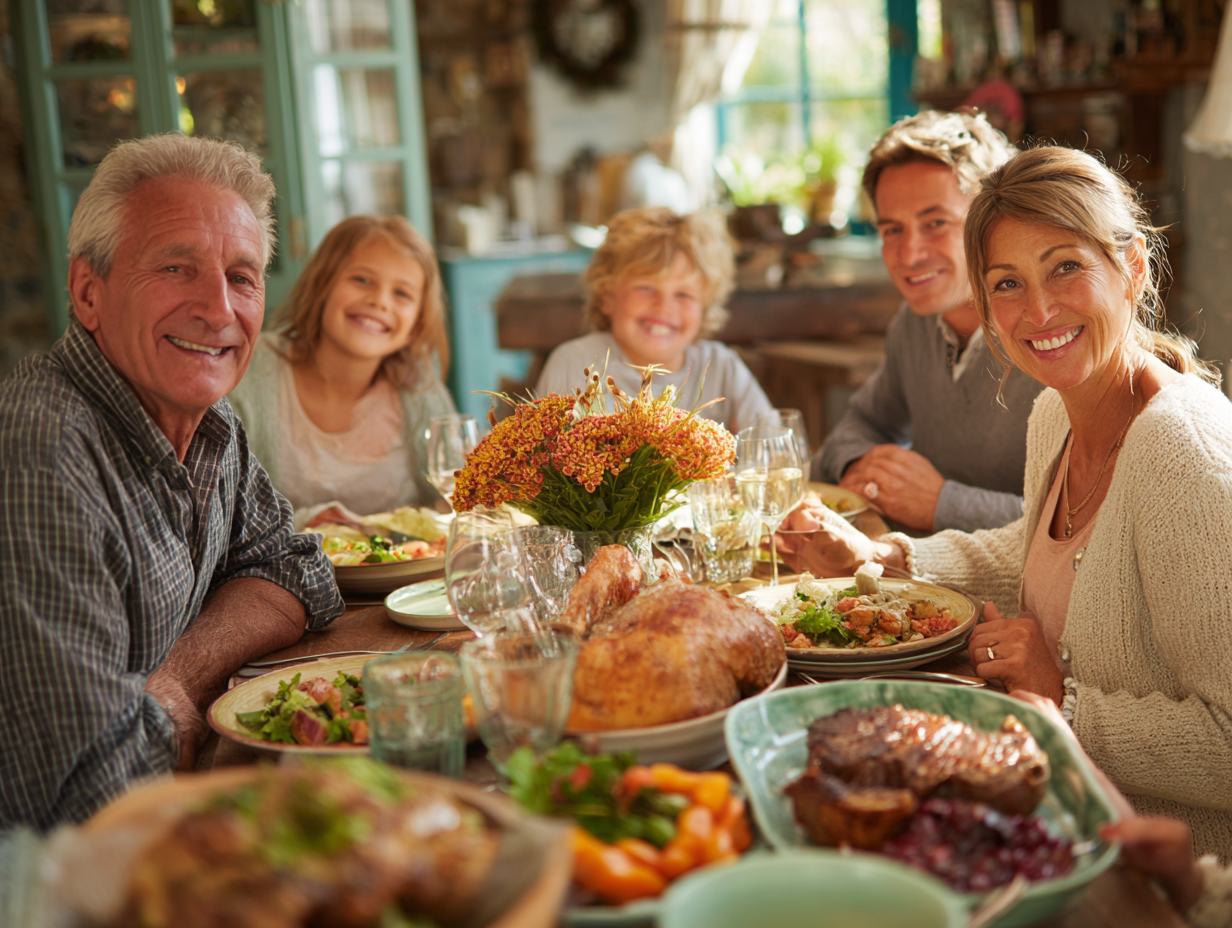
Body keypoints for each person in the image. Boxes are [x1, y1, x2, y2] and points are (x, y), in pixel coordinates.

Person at [778, 146, 1232, 860]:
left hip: (1154, 877)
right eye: (1008, 283)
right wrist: (884, 556)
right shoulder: (1054, 412)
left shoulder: (1183, 449)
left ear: (1133, 266)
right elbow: (1035, 548)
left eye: (1066, 267)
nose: (1039, 309)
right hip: (1044, 817)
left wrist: (1065, 699)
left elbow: (1227, 741)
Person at [0, 134, 343, 831]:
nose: (218, 310)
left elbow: (298, 569)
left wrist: (179, 676)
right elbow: (85, 795)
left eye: (241, 277)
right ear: (88, 291)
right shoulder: (41, 450)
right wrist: (169, 707)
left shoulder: (211, 421)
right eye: (176, 267)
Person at [816, 111, 1045, 532]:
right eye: (892, 230)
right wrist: (861, 466)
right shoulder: (915, 323)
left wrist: (942, 504)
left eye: (935, 222)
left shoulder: (1050, 335)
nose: (908, 255)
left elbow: (1085, 527)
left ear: (993, 218)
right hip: (927, 580)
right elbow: (862, 424)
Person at [228, 216, 455, 520]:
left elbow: (460, 497)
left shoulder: (419, 388)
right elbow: (223, 510)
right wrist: (303, 523)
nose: (379, 301)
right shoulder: (253, 370)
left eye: (402, 294)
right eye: (362, 280)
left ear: (416, 325)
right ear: (323, 285)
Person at [535, 207, 772, 434]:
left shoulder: (722, 368)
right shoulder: (574, 365)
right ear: (607, 296)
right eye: (646, 288)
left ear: (705, 309)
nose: (664, 306)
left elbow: (775, 450)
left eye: (684, 294)